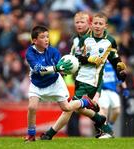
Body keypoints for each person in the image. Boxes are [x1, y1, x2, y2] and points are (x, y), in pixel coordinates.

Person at [40, 12, 127, 140]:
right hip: (80, 79)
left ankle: (49, 134)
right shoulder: (84, 40)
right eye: (96, 23)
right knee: (78, 109)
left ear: (105, 26)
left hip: (93, 81)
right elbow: (78, 58)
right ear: (92, 25)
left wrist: (121, 71)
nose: (97, 26)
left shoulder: (110, 41)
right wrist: (89, 59)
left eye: (100, 24)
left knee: (69, 107)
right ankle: (103, 124)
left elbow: (115, 60)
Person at [24, 25, 99, 142]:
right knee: (32, 107)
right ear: (34, 40)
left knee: (67, 107)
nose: (46, 39)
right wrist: (56, 68)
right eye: (43, 37)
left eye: (47, 37)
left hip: (55, 83)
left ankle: (85, 101)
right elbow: (38, 69)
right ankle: (31, 134)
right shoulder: (30, 53)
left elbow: (61, 67)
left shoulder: (53, 51)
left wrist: (64, 69)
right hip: (37, 83)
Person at [97, 60, 130, 138]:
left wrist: (125, 88)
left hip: (113, 90)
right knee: (104, 111)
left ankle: (110, 125)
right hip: (103, 90)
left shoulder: (115, 63)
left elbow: (121, 75)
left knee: (117, 110)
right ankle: (104, 132)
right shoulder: (100, 61)